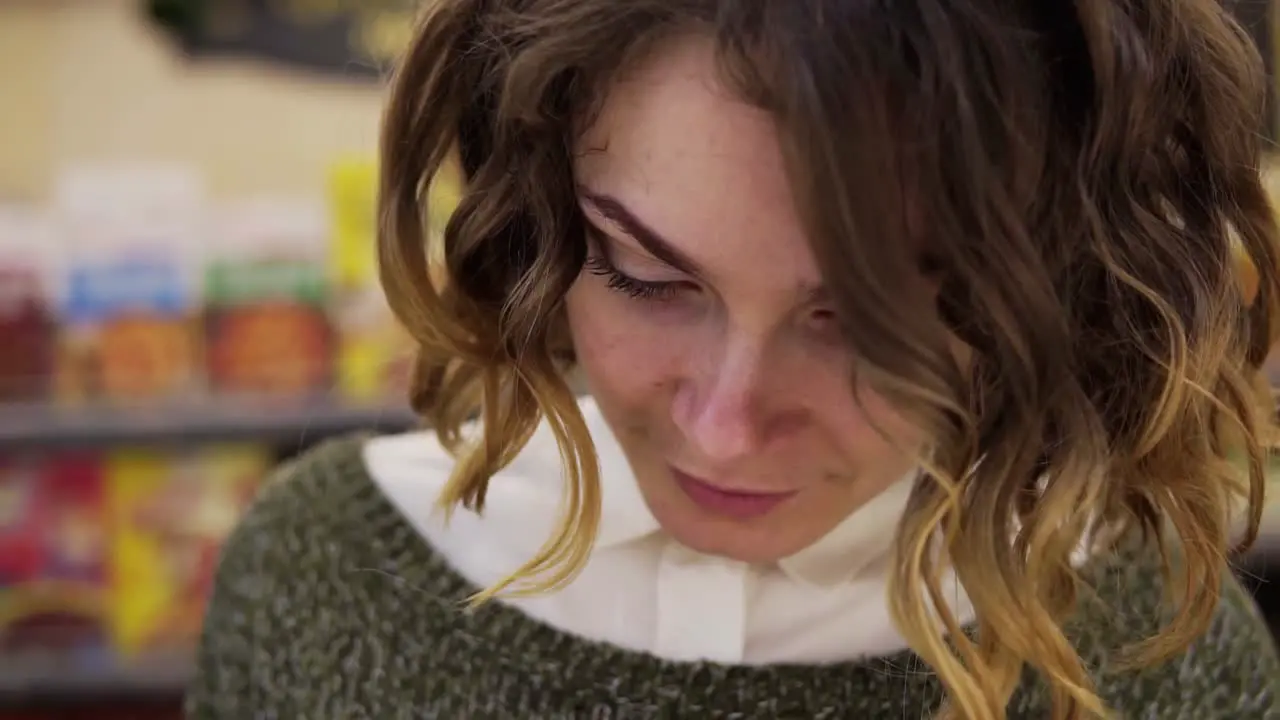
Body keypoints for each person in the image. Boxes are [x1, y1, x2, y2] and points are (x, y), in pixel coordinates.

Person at [186, 1, 1280, 718]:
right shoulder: (318, 578)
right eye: (645, 277)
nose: (725, 428)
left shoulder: (1152, 655)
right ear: (542, 222)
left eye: (866, 318)